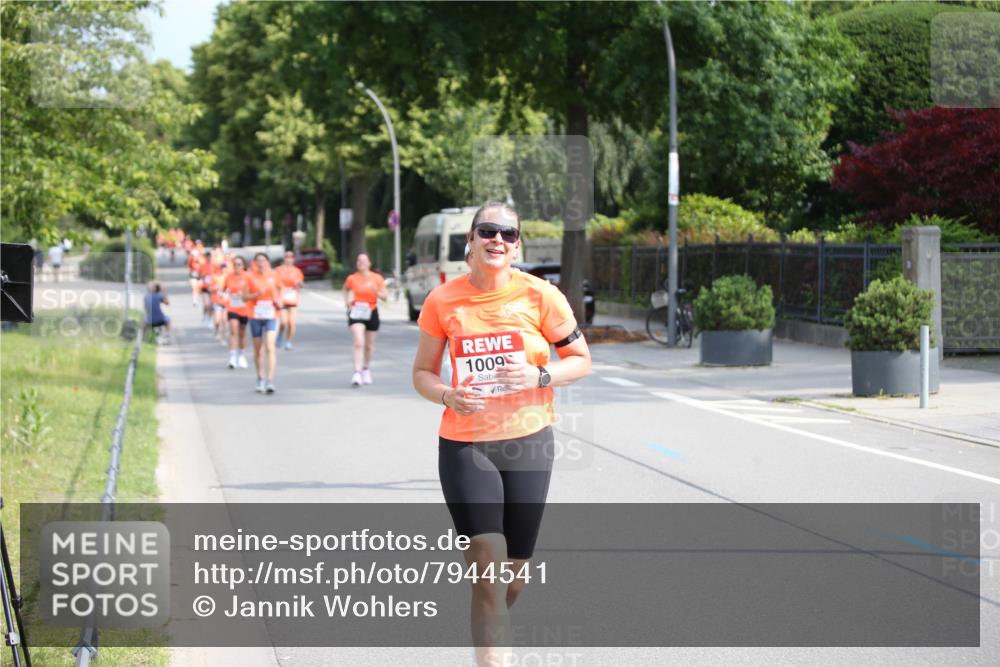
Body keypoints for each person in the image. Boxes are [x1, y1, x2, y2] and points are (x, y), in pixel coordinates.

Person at [411, 201, 591, 665]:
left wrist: (541, 376)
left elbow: (581, 360)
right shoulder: (442, 300)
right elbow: (423, 374)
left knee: (513, 577)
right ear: (469, 240)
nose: (498, 240)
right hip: (466, 445)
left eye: (508, 235)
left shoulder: (541, 296)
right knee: (487, 570)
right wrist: (448, 395)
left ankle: (491, 627)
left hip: (528, 442)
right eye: (488, 231)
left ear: (517, 246)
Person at [343, 253, 388, 386]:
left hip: (371, 312)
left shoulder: (377, 278)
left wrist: (377, 292)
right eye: (358, 260)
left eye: (364, 260)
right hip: (356, 313)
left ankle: (365, 368)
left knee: (369, 346)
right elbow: (345, 289)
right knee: (358, 342)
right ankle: (357, 372)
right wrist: (347, 302)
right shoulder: (352, 278)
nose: (361, 262)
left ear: (369, 263)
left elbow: (385, 296)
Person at [244, 252, 282, 393]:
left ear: (267, 262)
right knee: (258, 349)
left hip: (271, 315)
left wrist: (279, 300)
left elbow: (281, 288)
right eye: (258, 261)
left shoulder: (274, 276)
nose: (261, 263)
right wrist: (256, 295)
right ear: (254, 263)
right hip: (255, 316)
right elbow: (244, 297)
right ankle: (260, 377)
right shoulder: (250, 278)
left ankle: (270, 380)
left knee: (270, 346)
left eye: (263, 260)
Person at [224, 256, 251, 370]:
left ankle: (241, 356)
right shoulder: (229, 277)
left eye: (239, 264)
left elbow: (253, 292)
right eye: (235, 264)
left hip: (245, 308)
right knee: (233, 330)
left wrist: (244, 295)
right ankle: (232, 357)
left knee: (242, 333)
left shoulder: (248, 277)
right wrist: (226, 294)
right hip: (233, 308)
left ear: (243, 265)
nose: (237, 267)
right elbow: (224, 289)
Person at [275, 250, 305, 350]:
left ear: (293, 259)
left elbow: (302, 284)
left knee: (291, 323)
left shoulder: (297, 271)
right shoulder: (278, 270)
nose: (289, 259)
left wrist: (299, 284)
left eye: (291, 257)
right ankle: (280, 335)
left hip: (293, 299)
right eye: (287, 257)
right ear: (284, 259)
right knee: (283, 322)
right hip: (282, 299)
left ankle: (288, 341)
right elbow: (274, 283)